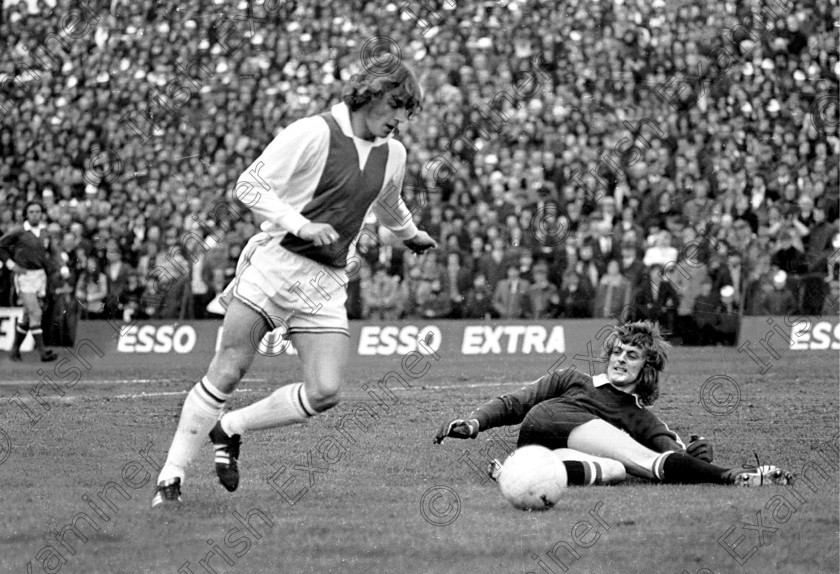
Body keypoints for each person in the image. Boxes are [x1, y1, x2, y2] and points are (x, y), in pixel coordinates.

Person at [152, 62, 436, 507]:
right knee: (228, 370)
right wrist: (299, 225)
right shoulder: (313, 133)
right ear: (370, 95)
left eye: (406, 111)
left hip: (325, 280)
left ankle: (230, 428)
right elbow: (249, 186)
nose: (400, 119)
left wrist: (410, 234)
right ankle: (171, 477)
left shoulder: (393, 151)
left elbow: (388, 199)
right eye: (396, 106)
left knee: (325, 392)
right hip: (277, 266)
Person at [435, 321, 792, 487]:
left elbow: (672, 450)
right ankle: (737, 478)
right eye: (617, 352)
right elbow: (517, 402)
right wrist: (475, 422)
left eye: (631, 355)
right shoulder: (575, 379)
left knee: (617, 472)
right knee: (643, 463)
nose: (620, 359)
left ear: (647, 367)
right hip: (550, 421)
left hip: (545, 455)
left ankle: (518, 473)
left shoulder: (643, 417)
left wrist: (698, 456)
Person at [0, 200, 65, 362]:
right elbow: (1, 246)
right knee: (36, 312)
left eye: (37, 211)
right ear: (26, 215)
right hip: (24, 276)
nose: (35, 214)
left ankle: (15, 350)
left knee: (28, 316)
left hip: (40, 277)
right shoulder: (19, 232)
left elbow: (54, 251)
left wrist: (62, 265)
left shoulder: (45, 232)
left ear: (41, 214)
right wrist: (11, 265)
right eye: (31, 212)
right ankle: (43, 352)